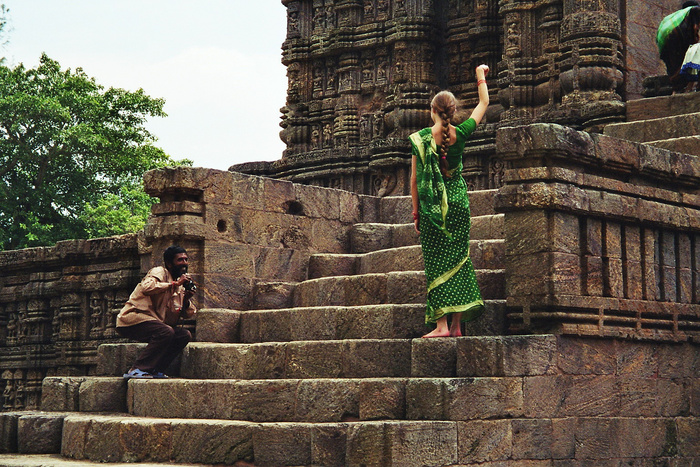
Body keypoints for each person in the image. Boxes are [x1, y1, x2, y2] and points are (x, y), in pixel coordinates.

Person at [409, 65, 489, 338]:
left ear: (432, 111)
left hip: (434, 209)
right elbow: (484, 103)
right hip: (458, 204)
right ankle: (456, 327)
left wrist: (417, 212)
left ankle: (440, 325)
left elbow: (415, 180)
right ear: (453, 112)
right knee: (459, 260)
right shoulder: (461, 132)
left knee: (437, 263)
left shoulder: (420, 139)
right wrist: (480, 74)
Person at [117, 245, 197, 378]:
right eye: (180, 260)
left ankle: (154, 369)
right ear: (169, 264)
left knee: (184, 335)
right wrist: (174, 285)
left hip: (154, 323)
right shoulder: (159, 272)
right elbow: (147, 287)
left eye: (186, 259)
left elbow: (188, 313)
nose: (184, 263)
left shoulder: (178, 285)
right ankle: (136, 369)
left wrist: (186, 298)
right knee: (165, 331)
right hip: (132, 319)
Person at [657, 1, 700, 92]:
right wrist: (696, 40)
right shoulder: (694, 10)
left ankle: (677, 87)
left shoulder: (671, 18)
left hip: (666, 43)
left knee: (676, 67)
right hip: (680, 36)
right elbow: (695, 28)